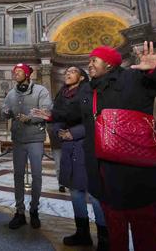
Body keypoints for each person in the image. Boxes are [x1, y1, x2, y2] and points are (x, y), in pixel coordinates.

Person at [32, 43, 156, 251]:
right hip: (104, 171)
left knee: (145, 229)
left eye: (94, 60)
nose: (89, 64)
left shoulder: (133, 77)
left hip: (139, 170)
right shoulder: (88, 90)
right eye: (89, 60)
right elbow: (74, 113)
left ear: (109, 64)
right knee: (115, 231)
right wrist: (52, 115)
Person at [50, 66, 108, 249]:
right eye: (66, 71)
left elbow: (95, 118)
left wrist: (73, 133)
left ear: (82, 78)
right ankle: (82, 233)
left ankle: (105, 237)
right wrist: (59, 132)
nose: (67, 73)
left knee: (94, 193)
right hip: (67, 146)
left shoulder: (90, 92)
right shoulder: (61, 95)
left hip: (86, 145)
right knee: (75, 192)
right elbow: (55, 117)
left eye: (73, 71)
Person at [2, 63, 52, 229]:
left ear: (28, 74)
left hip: (35, 139)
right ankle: (20, 212)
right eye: (14, 72)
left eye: (19, 72)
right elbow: (4, 111)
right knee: (18, 175)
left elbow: (47, 112)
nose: (15, 74)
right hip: (18, 139)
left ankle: (34, 210)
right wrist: (6, 112)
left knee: (37, 175)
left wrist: (30, 118)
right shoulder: (10, 94)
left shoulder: (41, 91)